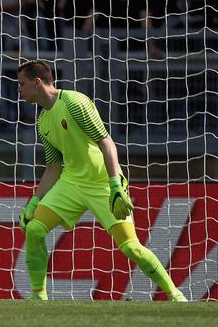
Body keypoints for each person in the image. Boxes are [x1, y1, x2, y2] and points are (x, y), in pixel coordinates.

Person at [16, 60, 187, 302]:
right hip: (71, 183)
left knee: (130, 247)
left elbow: (106, 142)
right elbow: (53, 167)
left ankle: (174, 293)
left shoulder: (74, 102)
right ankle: (38, 296)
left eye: (22, 84)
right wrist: (34, 202)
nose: (19, 90)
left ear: (37, 82)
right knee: (34, 229)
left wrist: (116, 185)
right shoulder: (42, 121)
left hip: (103, 184)